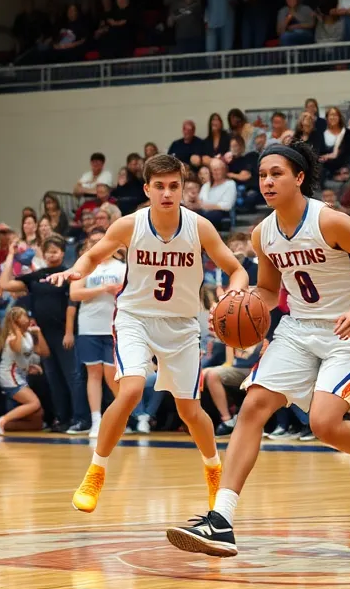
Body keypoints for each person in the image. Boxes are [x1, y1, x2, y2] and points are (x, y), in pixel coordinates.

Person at [166, 142, 350, 559]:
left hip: (348, 332)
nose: (267, 181)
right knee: (253, 407)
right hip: (298, 328)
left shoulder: (331, 221)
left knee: (323, 423)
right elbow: (267, 290)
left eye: (276, 173)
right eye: (263, 174)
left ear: (299, 178)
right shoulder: (263, 233)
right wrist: (234, 310)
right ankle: (221, 519)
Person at [47, 154, 247, 513]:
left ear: (184, 189)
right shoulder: (130, 225)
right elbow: (92, 256)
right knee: (131, 389)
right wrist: (76, 270)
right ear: (147, 189)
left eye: (174, 186)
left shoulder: (200, 227)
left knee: (190, 411)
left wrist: (233, 293)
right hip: (135, 318)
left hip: (183, 325)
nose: (167, 193)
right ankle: (96, 470)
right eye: (159, 187)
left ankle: (214, 470)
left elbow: (237, 270)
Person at [0, 238, 82, 432]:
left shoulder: (69, 275)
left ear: (63, 252)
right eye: (48, 251)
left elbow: (73, 305)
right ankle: (61, 419)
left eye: (56, 251)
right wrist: (11, 254)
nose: (52, 254)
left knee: (72, 377)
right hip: (43, 336)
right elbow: (4, 283)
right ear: (43, 255)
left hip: (64, 334)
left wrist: (69, 332)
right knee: (54, 380)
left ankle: (80, 419)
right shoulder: (36, 276)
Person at [70, 230, 126, 437]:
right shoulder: (84, 267)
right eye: (93, 241)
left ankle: (122, 419)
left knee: (112, 376)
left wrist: (117, 290)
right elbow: (75, 293)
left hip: (114, 326)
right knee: (93, 374)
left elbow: (129, 292)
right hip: (88, 327)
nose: (98, 244)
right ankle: (96, 421)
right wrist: (103, 289)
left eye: (101, 240)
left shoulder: (122, 268)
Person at [0, 307, 45, 433]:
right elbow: (17, 349)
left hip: (20, 375)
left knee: (38, 416)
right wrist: (16, 329)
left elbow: (41, 352)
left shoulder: (27, 335)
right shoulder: (12, 337)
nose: (27, 318)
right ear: (15, 321)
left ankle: (6, 424)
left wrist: (29, 366)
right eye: (23, 316)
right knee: (34, 403)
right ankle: (1, 421)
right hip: (9, 376)